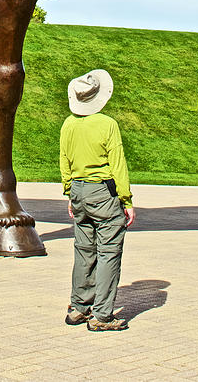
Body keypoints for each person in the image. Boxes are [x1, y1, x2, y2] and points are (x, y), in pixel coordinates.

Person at [60, 69, 135, 332]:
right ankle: (102, 315)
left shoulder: (68, 124)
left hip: (78, 191)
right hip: (103, 193)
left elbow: (64, 161)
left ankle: (79, 307)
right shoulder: (107, 125)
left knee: (83, 250)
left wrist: (69, 192)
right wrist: (126, 200)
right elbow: (118, 164)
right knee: (109, 252)